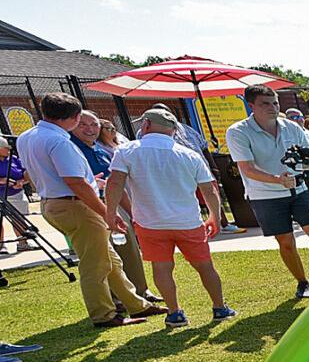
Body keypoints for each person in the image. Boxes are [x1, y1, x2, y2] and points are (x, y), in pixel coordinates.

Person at [14, 93, 165, 327]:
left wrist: (90, 183)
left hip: (53, 202)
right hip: (75, 204)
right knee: (96, 264)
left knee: (110, 260)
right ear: (74, 117)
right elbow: (76, 182)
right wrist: (107, 212)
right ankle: (104, 315)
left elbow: (43, 173)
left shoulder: (26, 136)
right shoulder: (60, 141)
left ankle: (137, 304)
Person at [106, 107, 234, 329]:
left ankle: (175, 313)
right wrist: (215, 216)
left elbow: (115, 182)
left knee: (162, 268)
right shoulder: (189, 154)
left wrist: (110, 213)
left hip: (149, 223)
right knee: (205, 266)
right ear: (174, 130)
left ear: (146, 124)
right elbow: (209, 189)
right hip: (188, 222)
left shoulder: (127, 150)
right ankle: (220, 307)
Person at [225, 84, 309, 299]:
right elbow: (247, 168)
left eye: (275, 103)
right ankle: (303, 282)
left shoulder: (291, 127)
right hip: (265, 196)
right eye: (265, 104)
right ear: (251, 106)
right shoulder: (238, 132)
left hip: (300, 189)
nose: (273, 107)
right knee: (286, 241)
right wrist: (278, 180)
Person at [74, 110, 155, 305]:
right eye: (83, 124)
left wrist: (132, 213)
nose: (90, 129)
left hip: (114, 204)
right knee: (107, 254)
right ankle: (117, 298)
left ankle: (141, 291)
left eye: (94, 125)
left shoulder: (101, 150)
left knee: (129, 247)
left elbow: (117, 185)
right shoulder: (73, 150)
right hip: (92, 205)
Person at [0, 136, 36, 254]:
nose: (9, 149)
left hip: (16, 194)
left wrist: (22, 181)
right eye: (6, 147)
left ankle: (22, 243)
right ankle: (1, 246)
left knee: (19, 219)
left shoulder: (13, 159)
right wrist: (2, 180)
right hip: (1, 195)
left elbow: (26, 172)